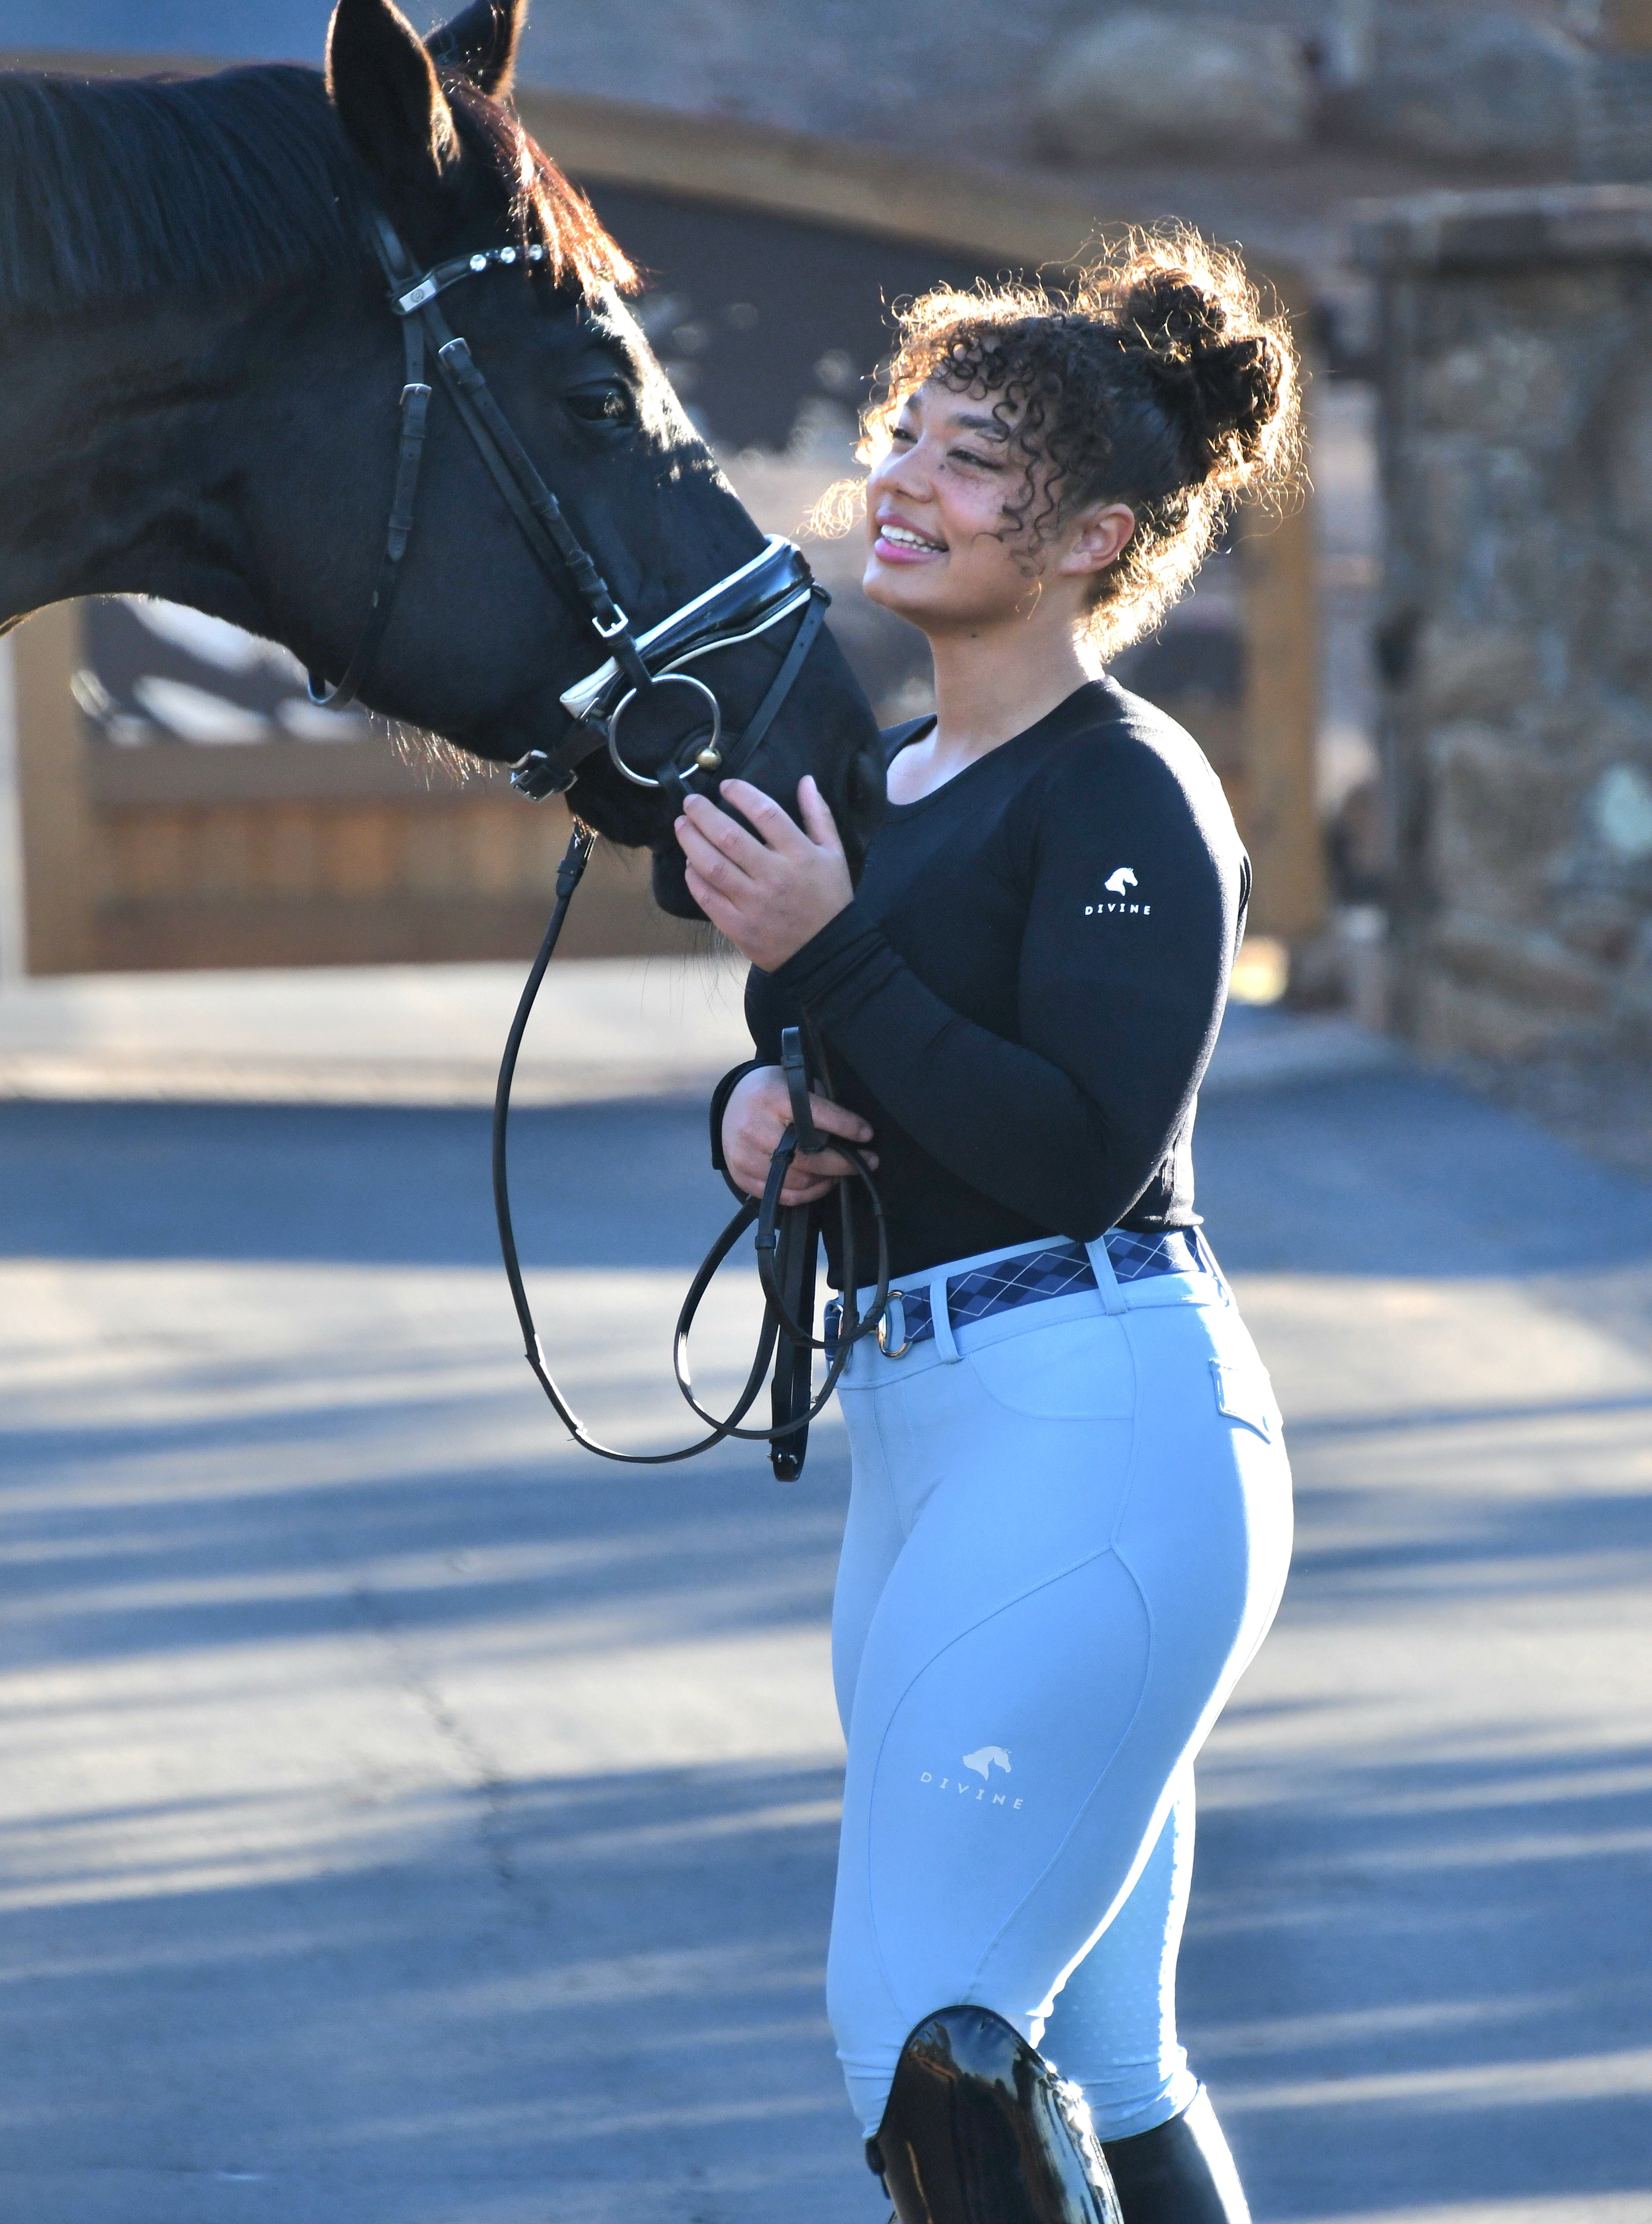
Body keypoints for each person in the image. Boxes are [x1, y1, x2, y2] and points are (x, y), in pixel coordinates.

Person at [672, 228, 1299, 2224]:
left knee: (925, 2028)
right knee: (1101, 2062)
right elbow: (843, 1066)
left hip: (1095, 1423)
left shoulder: (1125, 789)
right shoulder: (892, 774)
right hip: (930, 1435)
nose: (902, 485)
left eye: (968, 462)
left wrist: (829, 949)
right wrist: (754, 1109)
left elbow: (1074, 1152)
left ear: (1096, 535)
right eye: (902, 439)